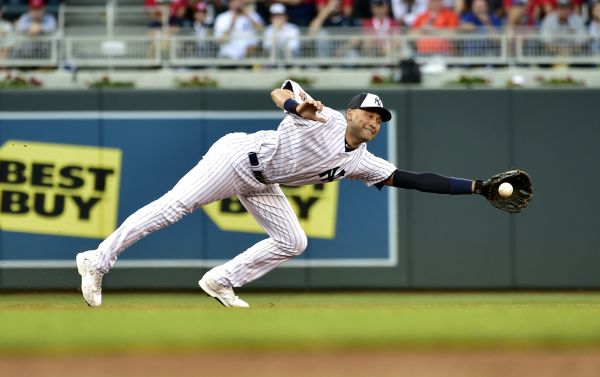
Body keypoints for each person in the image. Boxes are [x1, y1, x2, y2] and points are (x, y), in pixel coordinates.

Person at [76, 79, 504, 309]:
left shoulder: (363, 161)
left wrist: (477, 187)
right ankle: (97, 260)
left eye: (380, 118)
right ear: (352, 112)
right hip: (237, 158)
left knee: (293, 241)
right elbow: (279, 90)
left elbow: (414, 178)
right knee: (176, 207)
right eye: (370, 113)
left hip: (263, 183)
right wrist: (295, 108)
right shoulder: (325, 118)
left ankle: (220, 280)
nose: (375, 121)